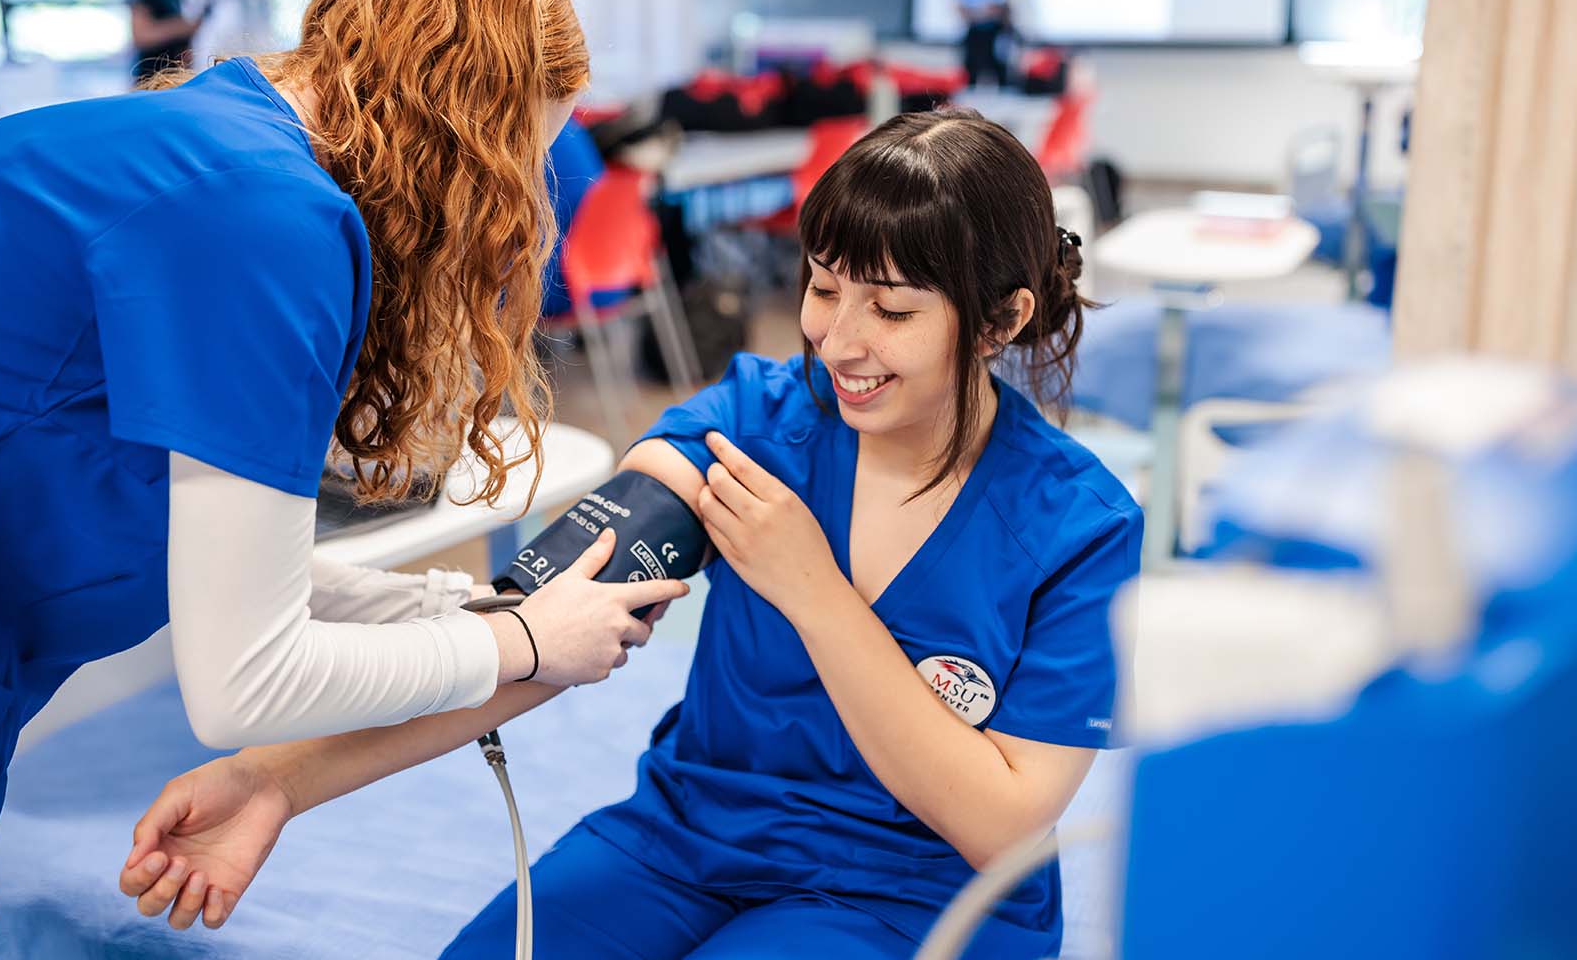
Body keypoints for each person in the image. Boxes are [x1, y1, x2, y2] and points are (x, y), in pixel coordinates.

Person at [0, 0, 682, 958]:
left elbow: (210, 554)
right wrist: (523, 642)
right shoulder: (263, 223)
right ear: (461, 136)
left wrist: (437, 607)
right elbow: (245, 680)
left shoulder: (210, 150)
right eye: (513, 165)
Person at [121, 109, 1142, 957]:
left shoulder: (1079, 529)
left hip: (912, 894)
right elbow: (523, 638)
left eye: (893, 309)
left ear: (1001, 320)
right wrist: (274, 780)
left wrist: (812, 590)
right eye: (824, 287)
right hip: (688, 837)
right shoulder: (751, 429)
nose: (838, 337)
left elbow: (998, 818)